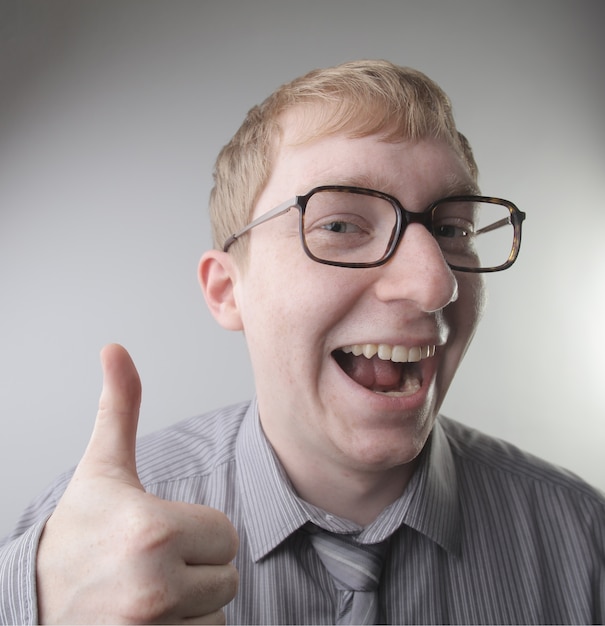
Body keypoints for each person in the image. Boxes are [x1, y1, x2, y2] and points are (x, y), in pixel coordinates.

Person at [1, 59, 603, 625]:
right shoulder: (77, 545)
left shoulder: (584, 537)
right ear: (227, 290)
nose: (434, 284)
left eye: (452, 230)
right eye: (340, 225)